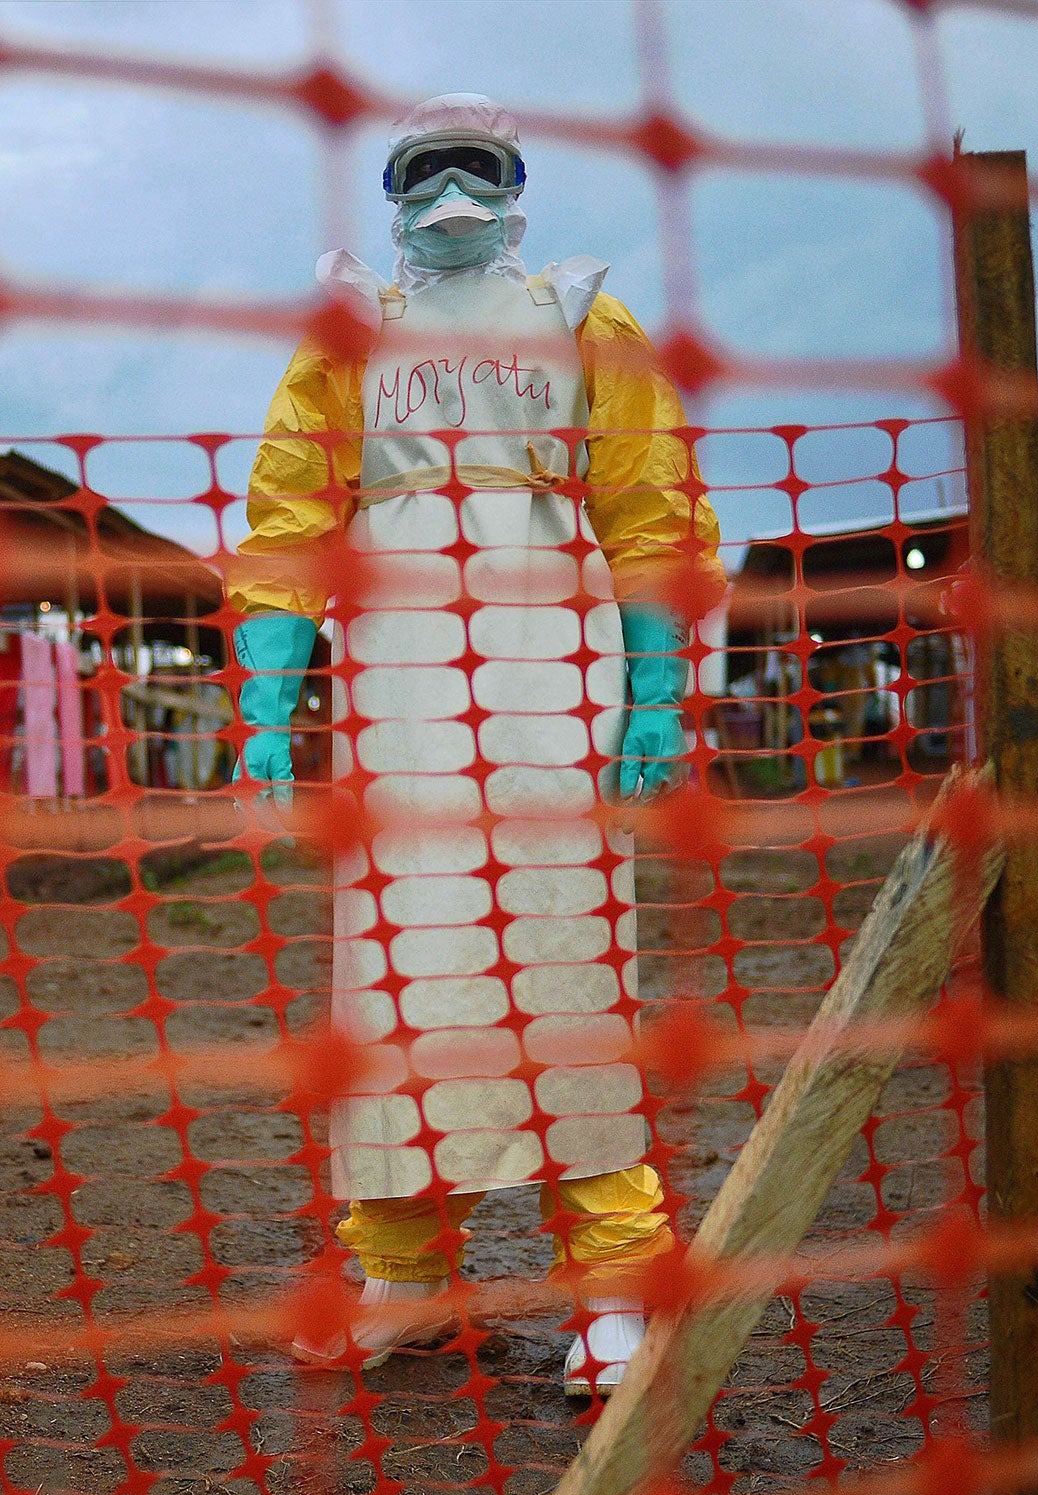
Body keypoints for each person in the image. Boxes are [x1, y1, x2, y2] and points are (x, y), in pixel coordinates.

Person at [227, 95, 722, 1393]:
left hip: (553, 680)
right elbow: (286, 528)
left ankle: (619, 1273)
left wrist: (661, 691)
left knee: (558, 968)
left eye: (478, 166)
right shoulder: (346, 341)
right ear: (390, 194)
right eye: (423, 168)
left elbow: (650, 512)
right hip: (397, 702)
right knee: (399, 981)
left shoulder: (580, 321)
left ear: (515, 185)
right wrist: (270, 712)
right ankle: (405, 1270)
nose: (452, 189)